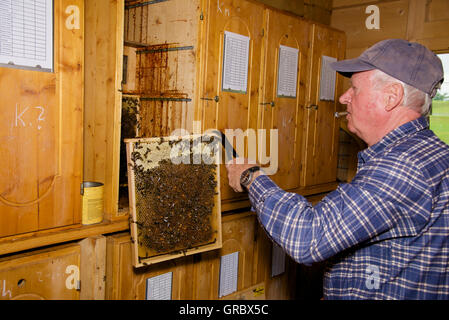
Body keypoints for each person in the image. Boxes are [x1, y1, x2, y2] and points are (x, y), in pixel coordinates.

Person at [226, 39, 449, 299]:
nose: (344, 98)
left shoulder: (403, 166)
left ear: (391, 96)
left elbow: (307, 237)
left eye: (354, 89)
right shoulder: (431, 152)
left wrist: (250, 176)